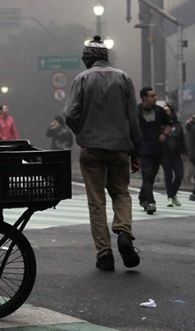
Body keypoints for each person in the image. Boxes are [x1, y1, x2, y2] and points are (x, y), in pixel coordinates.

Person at [63, 35, 142, 272]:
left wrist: (83, 131)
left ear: (87, 59)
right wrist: (136, 151)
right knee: (121, 193)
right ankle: (124, 232)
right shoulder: (123, 78)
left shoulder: (81, 79)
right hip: (119, 149)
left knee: (96, 201)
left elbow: (69, 114)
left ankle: (104, 255)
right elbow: (133, 119)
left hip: (91, 149)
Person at [136, 87, 169, 214]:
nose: (155, 97)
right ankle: (150, 202)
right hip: (143, 149)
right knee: (147, 175)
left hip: (157, 149)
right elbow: (132, 131)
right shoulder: (136, 111)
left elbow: (169, 123)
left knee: (151, 177)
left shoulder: (159, 111)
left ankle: (142, 197)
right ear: (144, 98)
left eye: (155, 95)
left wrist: (164, 134)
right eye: (152, 95)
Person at [160, 103, 187, 207]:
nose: (166, 113)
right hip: (165, 154)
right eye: (164, 111)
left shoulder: (177, 124)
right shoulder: (160, 124)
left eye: (167, 111)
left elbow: (182, 139)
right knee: (168, 176)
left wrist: (184, 152)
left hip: (176, 154)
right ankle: (170, 197)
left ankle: (173, 194)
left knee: (179, 175)